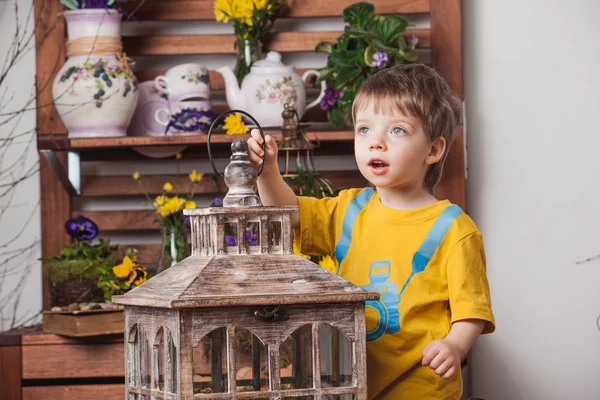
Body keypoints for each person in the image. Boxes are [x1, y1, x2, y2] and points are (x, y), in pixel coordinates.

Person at [247, 64, 495, 399]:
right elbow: (289, 215)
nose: (375, 143)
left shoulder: (454, 229)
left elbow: (471, 311)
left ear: (433, 150)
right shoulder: (348, 210)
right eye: (364, 129)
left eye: (397, 131)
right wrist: (267, 173)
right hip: (353, 384)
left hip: (421, 387)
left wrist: (453, 345)